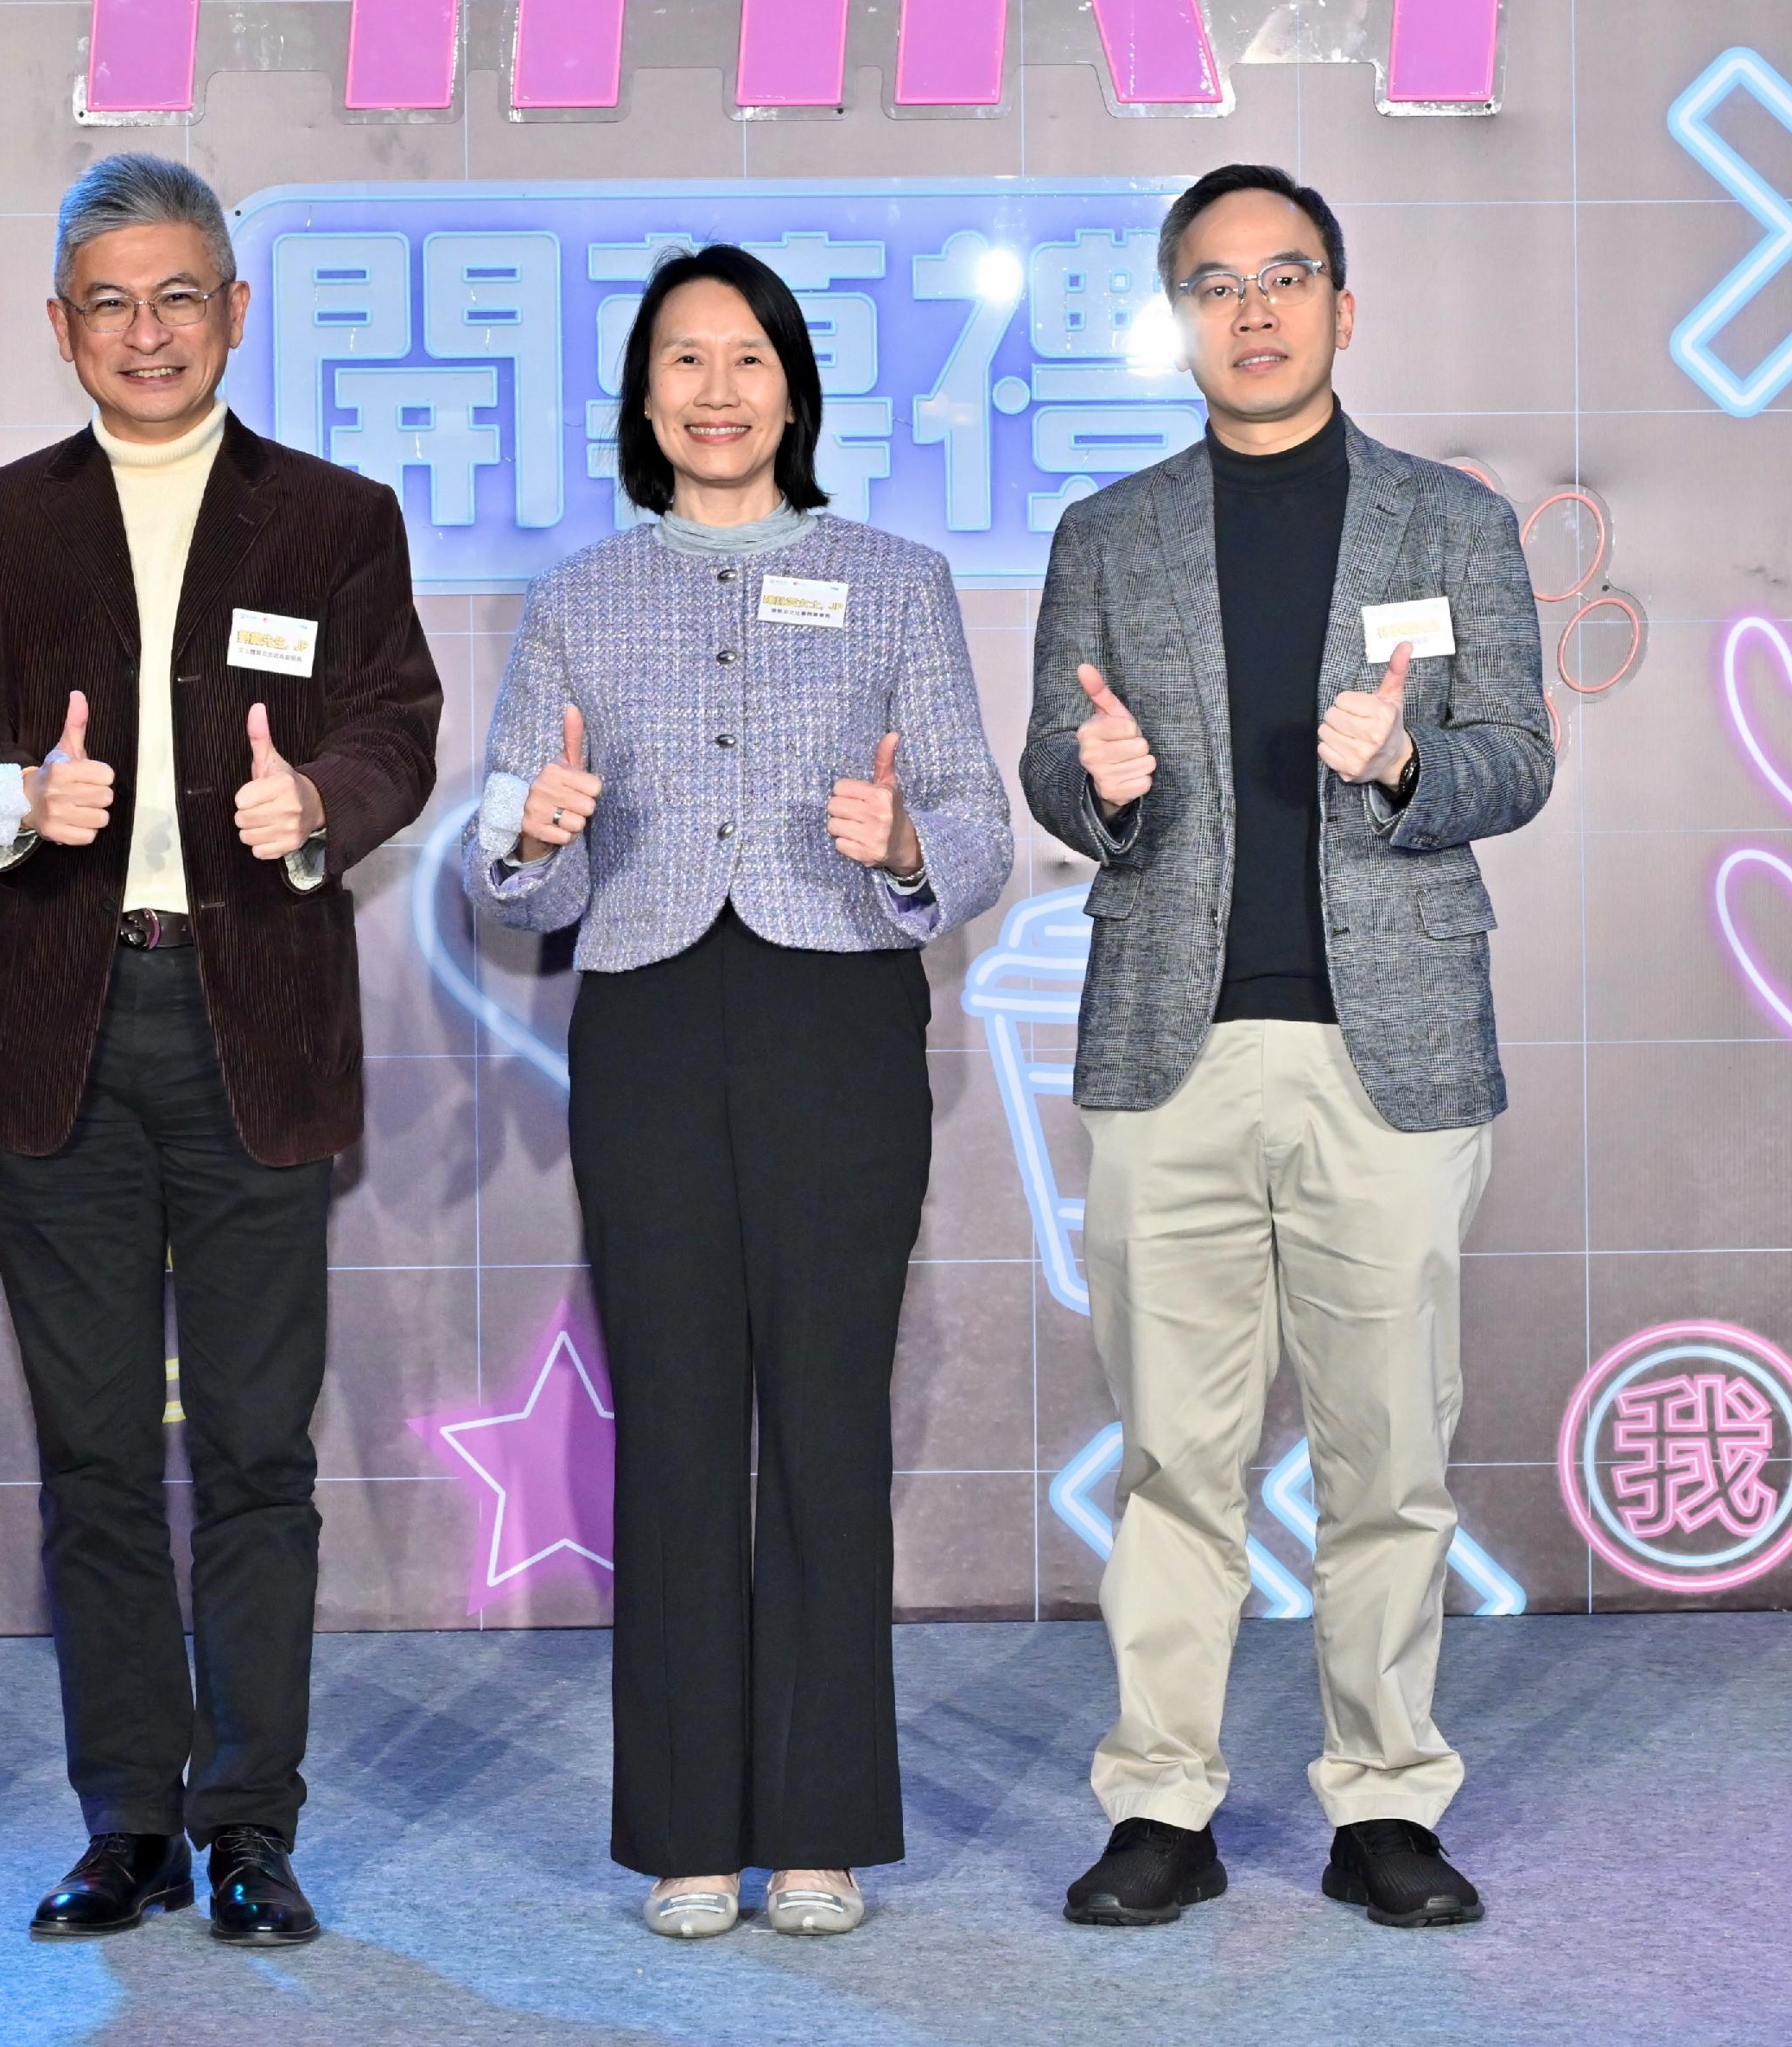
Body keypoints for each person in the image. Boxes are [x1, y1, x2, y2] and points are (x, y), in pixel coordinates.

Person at [0, 153, 441, 1947]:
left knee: (262, 1454)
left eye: (179, 296)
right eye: (110, 304)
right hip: (59, 1028)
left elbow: (397, 723)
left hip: (253, 1026)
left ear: (234, 311)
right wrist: (8, 797)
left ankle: (250, 1821)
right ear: (62, 329)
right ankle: (126, 1815)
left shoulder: (333, 518)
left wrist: (319, 803)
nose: (147, 332)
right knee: (97, 1454)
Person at [1020, 163, 1554, 1929]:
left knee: (1386, 1455)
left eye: (1284, 276)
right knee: (1174, 1455)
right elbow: (1051, 762)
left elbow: (1516, 756)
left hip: (1387, 1054)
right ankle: (1159, 1803)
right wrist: (1092, 789)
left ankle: (1383, 1802)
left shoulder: (1446, 522)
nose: (1251, 310)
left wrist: (1406, 766)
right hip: (1166, 1048)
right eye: (1215, 283)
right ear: (1177, 316)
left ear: (1342, 305)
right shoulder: (1108, 533)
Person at [468, 245, 1012, 1941]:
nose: (716, 390)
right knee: (679, 1418)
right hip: (647, 1016)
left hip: (834, 1014)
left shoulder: (895, 581)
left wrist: (906, 842)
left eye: (746, 358)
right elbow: (509, 868)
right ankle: (688, 1828)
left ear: (793, 387)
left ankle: (822, 1824)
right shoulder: (579, 597)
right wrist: (534, 834)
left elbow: (978, 828)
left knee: (829, 1420)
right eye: (683, 361)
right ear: (644, 401)